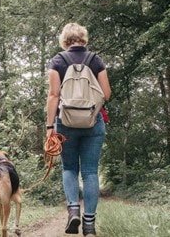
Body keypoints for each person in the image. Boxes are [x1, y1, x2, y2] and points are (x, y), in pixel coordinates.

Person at [45, 23, 111, 236]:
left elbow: (54, 96)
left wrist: (49, 128)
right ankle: (89, 225)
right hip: (93, 122)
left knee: (69, 168)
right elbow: (106, 93)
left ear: (65, 40)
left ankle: (73, 208)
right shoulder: (95, 60)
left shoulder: (58, 61)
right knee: (90, 171)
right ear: (83, 38)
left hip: (65, 123)